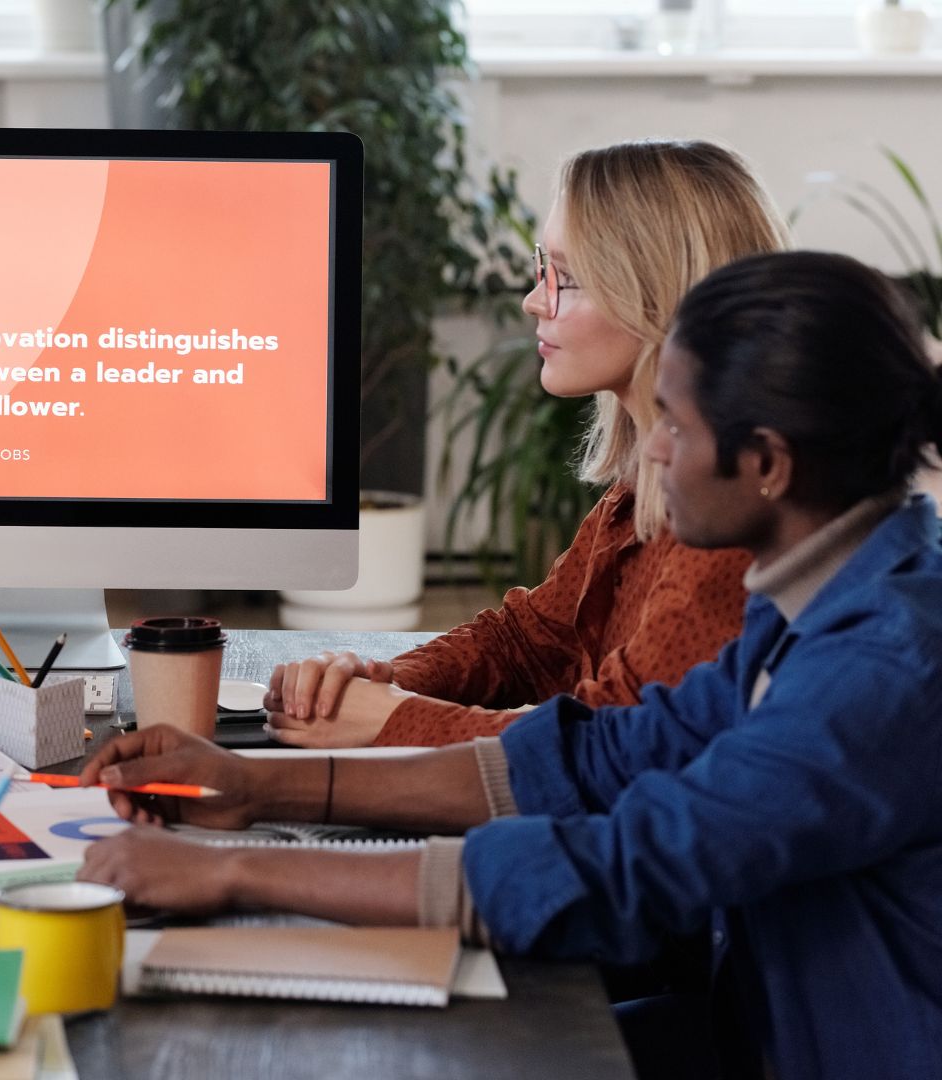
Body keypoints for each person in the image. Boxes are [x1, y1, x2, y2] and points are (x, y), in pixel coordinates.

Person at [79, 251, 942, 1080]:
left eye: (675, 424)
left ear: (765, 464)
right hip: (754, 1024)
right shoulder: (819, 601)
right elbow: (598, 757)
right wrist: (260, 788)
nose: (652, 451)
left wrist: (232, 871)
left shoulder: (879, 668)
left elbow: (626, 868)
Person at [266, 140, 787, 748]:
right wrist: (383, 680)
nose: (534, 300)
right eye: (545, 268)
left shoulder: (727, 524)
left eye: (566, 278)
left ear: (661, 297)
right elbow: (529, 642)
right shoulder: (637, 494)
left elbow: (611, 742)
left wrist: (389, 720)